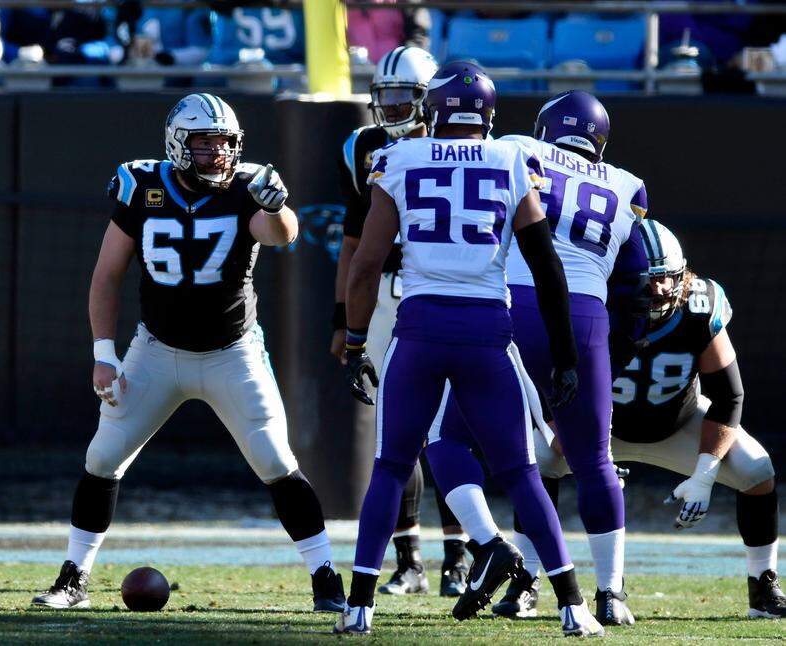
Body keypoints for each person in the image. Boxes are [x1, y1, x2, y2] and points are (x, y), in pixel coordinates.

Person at [31, 93, 346, 613]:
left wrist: (278, 206)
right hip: (156, 350)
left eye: (225, 144)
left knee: (275, 460)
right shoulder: (142, 186)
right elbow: (106, 275)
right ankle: (73, 578)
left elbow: (282, 235)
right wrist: (103, 352)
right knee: (102, 457)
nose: (218, 155)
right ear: (178, 145)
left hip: (232, 352)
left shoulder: (248, 186)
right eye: (205, 144)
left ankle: (324, 578)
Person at [335, 62, 602, 637]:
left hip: (418, 331)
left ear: (434, 109)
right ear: (486, 114)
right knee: (523, 474)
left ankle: (359, 607)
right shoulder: (510, 158)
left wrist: (357, 340)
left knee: (391, 466)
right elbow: (546, 265)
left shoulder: (399, 159)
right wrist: (564, 355)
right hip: (488, 333)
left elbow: (364, 267)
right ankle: (574, 607)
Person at [431, 91, 651, 627]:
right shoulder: (628, 186)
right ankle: (610, 593)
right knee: (594, 457)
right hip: (587, 316)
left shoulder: (514, 147)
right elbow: (637, 284)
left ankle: (488, 546)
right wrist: (608, 350)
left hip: (514, 303)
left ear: (545, 127)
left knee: (446, 436)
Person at [509, 220, 786, 620]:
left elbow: (729, 395)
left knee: (757, 471)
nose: (659, 290)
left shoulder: (699, 307)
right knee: (537, 461)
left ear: (682, 274)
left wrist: (705, 473)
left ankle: (763, 587)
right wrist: (558, 429)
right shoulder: (588, 303)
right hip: (597, 427)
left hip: (678, 422)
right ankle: (526, 581)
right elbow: (546, 375)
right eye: (646, 279)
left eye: (668, 279)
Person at [331, 45, 470, 598]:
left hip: (439, 290)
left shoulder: (458, 142)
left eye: (402, 97)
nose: (390, 108)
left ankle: (458, 557)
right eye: (384, 96)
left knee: (450, 427)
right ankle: (410, 561)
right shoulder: (363, 147)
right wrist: (343, 316)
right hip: (384, 293)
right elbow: (351, 242)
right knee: (398, 429)